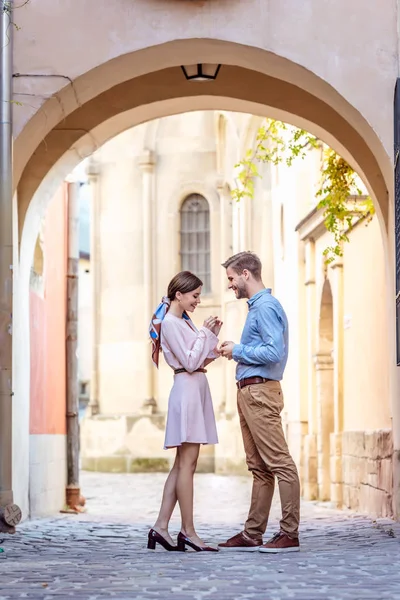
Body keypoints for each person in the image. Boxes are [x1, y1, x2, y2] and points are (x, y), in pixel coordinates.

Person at [218, 251, 300, 553]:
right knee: (259, 466)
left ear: (246, 275)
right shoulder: (256, 308)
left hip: (261, 392)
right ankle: (253, 533)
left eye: (231, 278)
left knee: (280, 463)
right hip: (250, 393)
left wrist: (237, 350)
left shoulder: (265, 307)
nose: (230, 285)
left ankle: (289, 534)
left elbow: (273, 353)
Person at [147, 271, 222, 552]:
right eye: (194, 295)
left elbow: (201, 357)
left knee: (181, 465)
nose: (198, 301)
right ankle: (188, 531)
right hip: (187, 389)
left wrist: (210, 335)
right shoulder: (170, 323)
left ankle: (160, 527)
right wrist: (203, 332)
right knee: (187, 465)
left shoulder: (183, 323)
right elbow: (191, 362)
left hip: (194, 389)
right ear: (179, 294)